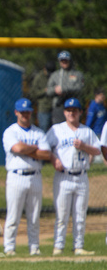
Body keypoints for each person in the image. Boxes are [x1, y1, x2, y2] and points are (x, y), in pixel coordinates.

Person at [46, 98, 100, 256]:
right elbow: (45, 147)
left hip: (81, 176)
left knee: (80, 215)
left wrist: (84, 146)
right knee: (62, 214)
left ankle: (78, 246)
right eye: (69, 110)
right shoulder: (57, 129)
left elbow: (97, 150)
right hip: (64, 176)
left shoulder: (86, 131)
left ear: (80, 113)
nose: (71, 113)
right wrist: (53, 159)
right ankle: (58, 246)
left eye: (75, 110)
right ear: (64, 112)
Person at [2, 98, 51, 256]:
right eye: (22, 112)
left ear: (31, 112)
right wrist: (35, 148)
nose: (25, 114)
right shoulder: (11, 131)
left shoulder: (38, 132)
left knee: (34, 215)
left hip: (35, 176)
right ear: (16, 112)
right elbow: (16, 147)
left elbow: (46, 153)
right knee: (13, 215)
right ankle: (9, 247)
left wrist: (26, 149)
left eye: (28, 112)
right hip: (16, 176)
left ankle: (34, 247)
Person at [46, 51, 84, 125]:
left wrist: (64, 89)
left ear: (70, 61)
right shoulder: (55, 75)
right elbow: (48, 90)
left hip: (73, 106)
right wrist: (55, 90)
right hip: (59, 106)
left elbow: (79, 88)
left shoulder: (77, 74)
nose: (64, 62)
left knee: (73, 126)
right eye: (62, 60)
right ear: (59, 62)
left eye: (66, 60)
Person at [30, 61, 55, 132]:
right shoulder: (39, 77)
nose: (50, 74)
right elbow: (33, 93)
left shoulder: (55, 76)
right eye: (48, 71)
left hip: (55, 107)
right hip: (43, 108)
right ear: (44, 69)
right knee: (44, 128)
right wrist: (44, 91)